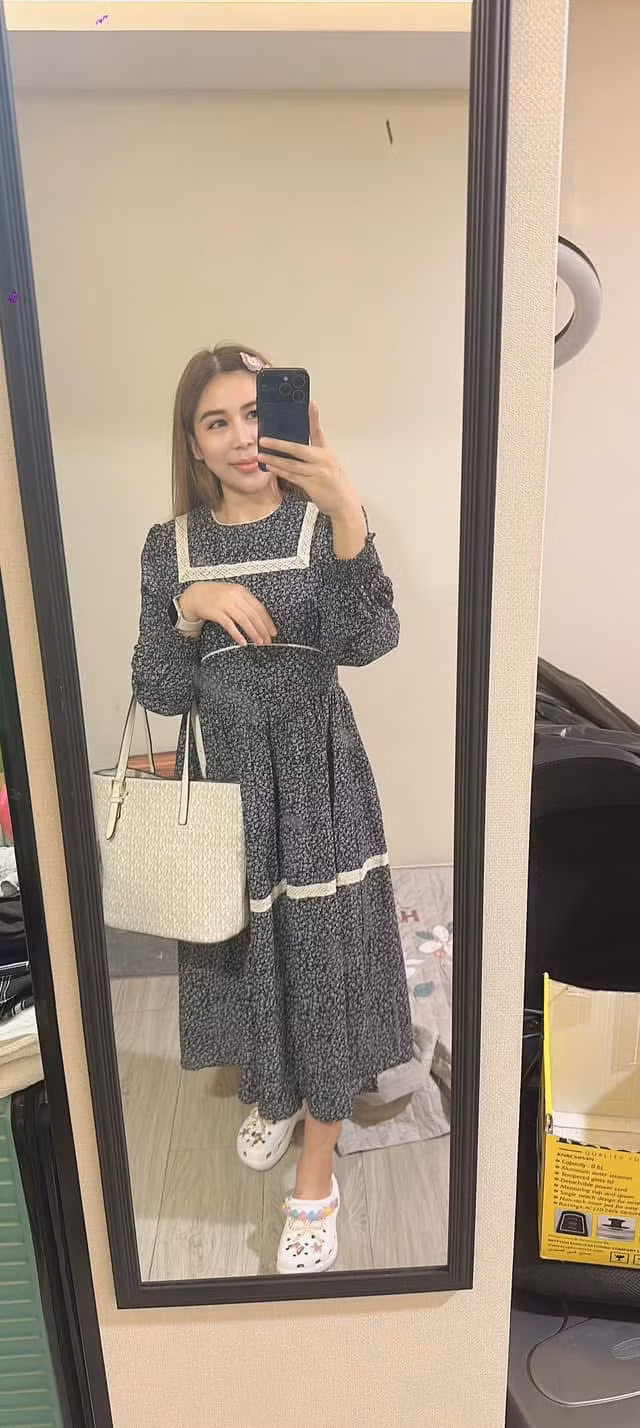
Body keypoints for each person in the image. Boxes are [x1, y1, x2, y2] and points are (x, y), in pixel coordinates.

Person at [132, 343, 413, 1274]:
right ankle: (276, 1087)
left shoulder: (321, 521)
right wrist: (189, 603)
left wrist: (347, 511)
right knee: (251, 950)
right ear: (194, 444)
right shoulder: (168, 548)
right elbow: (161, 691)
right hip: (227, 786)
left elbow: (370, 639)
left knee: (321, 961)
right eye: (218, 421)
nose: (243, 436)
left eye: (257, 412)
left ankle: (316, 1174)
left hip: (317, 778)